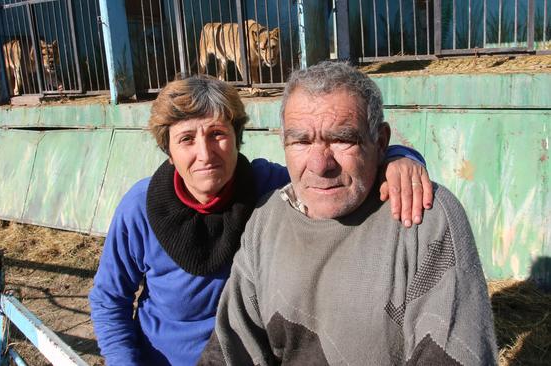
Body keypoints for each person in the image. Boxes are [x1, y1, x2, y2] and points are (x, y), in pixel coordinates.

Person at [89, 74, 433, 366]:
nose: (205, 154)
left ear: (237, 138)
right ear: (168, 150)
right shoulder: (140, 208)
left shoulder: (267, 188)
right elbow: (108, 300)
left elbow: (333, 174)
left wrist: (401, 158)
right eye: (186, 139)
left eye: (217, 134)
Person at [199, 62, 498, 365]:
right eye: (301, 141)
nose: (319, 164)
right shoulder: (267, 219)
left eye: (342, 139)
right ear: (284, 142)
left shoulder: (422, 217)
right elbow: (229, 349)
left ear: (380, 142)